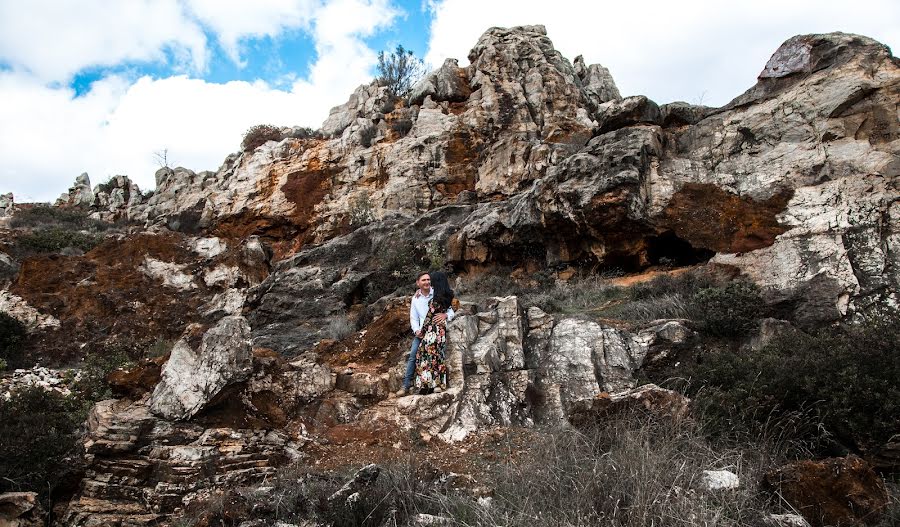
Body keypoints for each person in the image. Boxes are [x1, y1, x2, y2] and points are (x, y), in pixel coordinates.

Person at [394, 271, 454, 397]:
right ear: (418, 283)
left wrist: (446, 315)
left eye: (428, 279)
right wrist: (416, 331)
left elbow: (450, 309)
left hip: (435, 332)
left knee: (438, 354)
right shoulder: (416, 298)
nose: (427, 282)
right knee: (413, 355)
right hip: (421, 332)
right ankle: (406, 385)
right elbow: (413, 318)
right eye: (423, 280)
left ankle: (436, 384)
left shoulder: (437, 292)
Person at [413, 271, 455, 393]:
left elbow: (428, 318)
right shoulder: (447, 296)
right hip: (441, 332)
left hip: (432, 333)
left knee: (423, 357)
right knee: (439, 357)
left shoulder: (435, 300)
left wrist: (421, 331)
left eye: (431, 280)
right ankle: (439, 385)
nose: (429, 282)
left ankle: (426, 386)